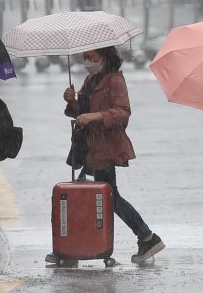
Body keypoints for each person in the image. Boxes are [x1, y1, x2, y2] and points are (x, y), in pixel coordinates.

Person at [46, 46, 165, 264]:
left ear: (105, 57)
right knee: (104, 197)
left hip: (105, 151)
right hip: (91, 150)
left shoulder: (114, 80)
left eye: (92, 57)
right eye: (84, 58)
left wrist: (95, 117)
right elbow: (81, 111)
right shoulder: (92, 81)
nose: (87, 62)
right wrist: (72, 101)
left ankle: (71, 248)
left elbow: (122, 112)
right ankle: (146, 237)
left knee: (88, 196)